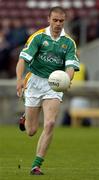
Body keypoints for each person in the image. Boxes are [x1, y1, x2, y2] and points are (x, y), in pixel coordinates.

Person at [16, 6, 80, 175]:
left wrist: (66, 79)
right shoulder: (38, 37)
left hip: (54, 84)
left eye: (61, 21)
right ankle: (25, 116)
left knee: (50, 123)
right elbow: (22, 59)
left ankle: (36, 165)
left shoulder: (69, 43)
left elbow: (70, 67)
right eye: (55, 20)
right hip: (35, 81)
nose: (58, 24)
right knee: (31, 131)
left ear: (64, 21)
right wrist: (19, 79)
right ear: (48, 19)